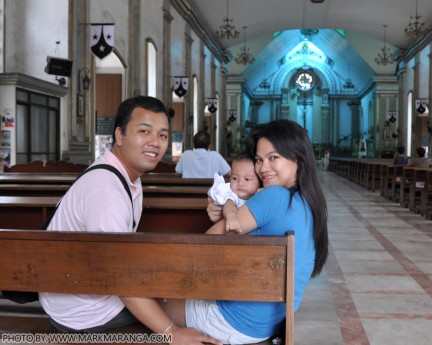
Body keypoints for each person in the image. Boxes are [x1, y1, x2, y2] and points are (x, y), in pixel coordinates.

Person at [39, 96, 221, 345]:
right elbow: (119, 278)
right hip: (83, 314)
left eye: (162, 136)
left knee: (182, 291)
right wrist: (171, 333)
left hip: (79, 295)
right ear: (120, 135)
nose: (155, 143)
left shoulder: (124, 176)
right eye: (144, 131)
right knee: (200, 310)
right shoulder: (107, 190)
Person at [164, 119, 329, 344]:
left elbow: (205, 244)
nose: (263, 168)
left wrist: (223, 214)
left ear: (297, 158)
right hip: (272, 321)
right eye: (259, 160)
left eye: (273, 158)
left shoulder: (274, 196)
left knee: (158, 302)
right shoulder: (310, 201)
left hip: (236, 322)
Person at [207, 153, 261, 232]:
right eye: (235, 178)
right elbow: (229, 205)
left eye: (247, 179)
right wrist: (231, 217)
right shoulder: (233, 195)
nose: (240, 183)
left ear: (259, 182)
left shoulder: (259, 194)